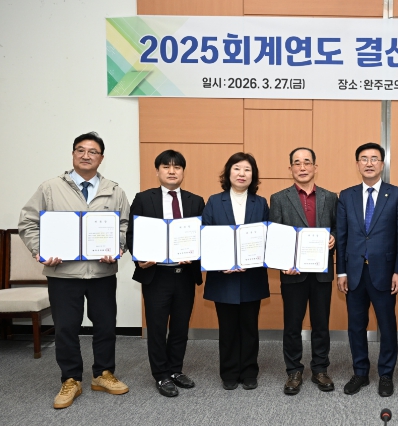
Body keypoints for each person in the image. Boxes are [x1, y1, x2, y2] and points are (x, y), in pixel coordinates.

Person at [18, 132, 130, 409]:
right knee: (66, 328)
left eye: (93, 152)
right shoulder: (50, 188)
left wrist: (117, 247)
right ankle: (70, 379)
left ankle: (103, 373)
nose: (86, 156)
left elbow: (125, 226)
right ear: (72, 154)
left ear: (101, 158)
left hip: (102, 272)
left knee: (105, 325)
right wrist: (40, 250)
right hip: (63, 272)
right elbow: (28, 222)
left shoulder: (114, 190)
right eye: (80, 150)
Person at [126, 150, 205, 398]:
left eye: (177, 167)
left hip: (185, 274)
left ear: (183, 171)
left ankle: (175, 370)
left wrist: (196, 253)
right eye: (166, 166)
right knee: (157, 327)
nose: (172, 171)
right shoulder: (143, 199)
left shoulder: (195, 201)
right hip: (156, 275)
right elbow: (132, 234)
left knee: (180, 327)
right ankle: (160, 374)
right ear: (157, 171)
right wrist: (139, 258)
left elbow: (203, 235)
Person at [336, 142, 398, 397]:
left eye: (374, 158)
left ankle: (386, 374)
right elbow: (342, 236)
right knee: (356, 325)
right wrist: (341, 272)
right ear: (357, 164)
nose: (369, 163)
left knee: (387, 325)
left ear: (382, 164)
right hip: (355, 272)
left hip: (385, 272)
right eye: (364, 159)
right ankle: (360, 372)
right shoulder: (346, 196)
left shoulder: (397, 194)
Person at [269, 147, 338, 395]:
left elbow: (338, 228)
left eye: (307, 162)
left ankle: (320, 368)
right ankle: (293, 370)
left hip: (321, 273)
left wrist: (334, 238)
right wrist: (282, 262)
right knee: (292, 325)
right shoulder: (278, 198)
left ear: (315, 167)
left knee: (321, 324)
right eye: (297, 163)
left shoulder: (330, 197)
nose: (302, 167)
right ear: (290, 168)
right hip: (292, 273)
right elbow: (275, 235)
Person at [202, 152, 270, 391]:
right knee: (228, 327)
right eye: (237, 169)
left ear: (253, 175)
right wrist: (221, 263)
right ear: (228, 173)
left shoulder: (260, 203)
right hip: (223, 277)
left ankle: (250, 371)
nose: (242, 174)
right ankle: (229, 372)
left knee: (250, 327)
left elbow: (266, 238)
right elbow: (206, 236)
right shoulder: (214, 201)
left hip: (252, 276)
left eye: (247, 170)